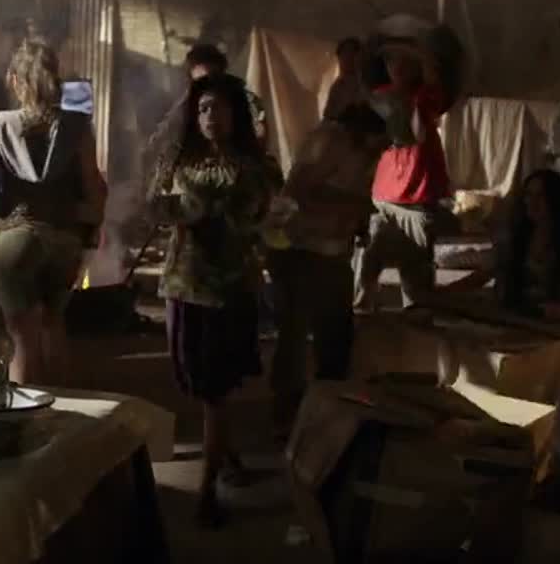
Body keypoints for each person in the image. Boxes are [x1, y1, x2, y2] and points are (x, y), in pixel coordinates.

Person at [148, 73, 271, 527]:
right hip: (184, 283)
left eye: (218, 107)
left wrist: (189, 208)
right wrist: (175, 207)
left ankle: (207, 491)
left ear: (236, 113)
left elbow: (246, 212)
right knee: (197, 385)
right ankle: (228, 457)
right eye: (202, 109)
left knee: (215, 391)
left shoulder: (252, 167)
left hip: (228, 288)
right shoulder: (181, 159)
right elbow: (156, 205)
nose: (210, 116)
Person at [0, 39, 107, 386]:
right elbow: (95, 191)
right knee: (54, 323)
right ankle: (64, 408)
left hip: (14, 238)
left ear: (15, 81)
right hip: (64, 238)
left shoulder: (0, 125)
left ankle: (29, 411)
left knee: (21, 335)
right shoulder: (77, 128)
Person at [265, 103, 394, 435]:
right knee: (294, 336)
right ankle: (288, 414)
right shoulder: (330, 140)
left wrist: (358, 222)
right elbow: (297, 192)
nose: (383, 150)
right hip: (300, 251)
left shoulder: (367, 150)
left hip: (333, 254)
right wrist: (353, 205)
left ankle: (327, 411)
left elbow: (353, 192)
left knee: (336, 338)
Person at [355, 44, 455, 310]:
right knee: (367, 266)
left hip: (417, 196)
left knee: (416, 278)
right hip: (383, 195)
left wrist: (420, 56)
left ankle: (416, 323)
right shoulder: (379, 97)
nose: (397, 66)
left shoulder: (426, 95)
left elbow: (421, 126)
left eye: (404, 60)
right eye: (391, 60)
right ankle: (362, 317)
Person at [443, 169, 560, 322]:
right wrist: (440, 294)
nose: (532, 202)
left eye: (540, 196)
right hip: (509, 320)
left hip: (549, 325)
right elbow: (479, 278)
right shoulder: (512, 239)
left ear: (555, 200)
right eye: (528, 195)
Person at [143, 44, 266, 190]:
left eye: (212, 79)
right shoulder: (183, 108)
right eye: (201, 82)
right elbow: (159, 143)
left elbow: (260, 133)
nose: (207, 86)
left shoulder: (242, 100)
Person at [323, 37, 366, 121]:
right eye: (344, 54)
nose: (348, 58)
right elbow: (328, 116)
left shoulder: (367, 81)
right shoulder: (337, 86)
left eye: (352, 53)